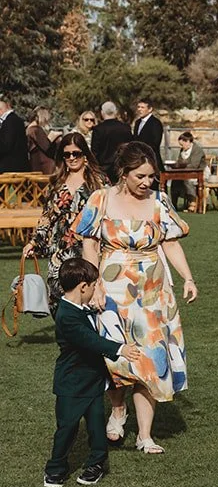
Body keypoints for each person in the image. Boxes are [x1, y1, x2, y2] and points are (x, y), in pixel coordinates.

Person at [75, 142, 197, 454]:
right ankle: (118, 410)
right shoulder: (100, 199)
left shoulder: (160, 201)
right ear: (123, 173)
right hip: (111, 287)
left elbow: (170, 243)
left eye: (152, 177)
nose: (147, 182)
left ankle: (145, 435)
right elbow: (89, 243)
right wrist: (95, 284)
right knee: (114, 356)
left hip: (153, 292)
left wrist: (188, 277)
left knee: (150, 358)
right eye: (140, 176)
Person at [45, 258, 144, 487]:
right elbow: (89, 340)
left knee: (96, 426)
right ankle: (55, 468)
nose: (95, 290)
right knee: (67, 426)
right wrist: (120, 349)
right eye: (94, 286)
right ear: (83, 287)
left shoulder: (77, 307)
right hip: (72, 383)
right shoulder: (66, 315)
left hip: (92, 380)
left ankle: (97, 463)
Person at [24, 129, 106, 308]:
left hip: (88, 249)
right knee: (58, 301)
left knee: (88, 301)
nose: (72, 158)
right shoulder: (56, 182)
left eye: (76, 153)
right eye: (67, 154)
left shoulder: (98, 182)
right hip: (59, 252)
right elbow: (47, 216)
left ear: (85, 154)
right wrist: (34, 243)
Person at [91, 101, 133, 180]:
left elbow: (94, 152)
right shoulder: (126, 128)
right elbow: (130, 148)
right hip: (122, 167)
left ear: (102, 113)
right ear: (116, 112)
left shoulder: (98, 129)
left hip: (104, 169)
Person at [167, 131, 206, 209]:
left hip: (199, 172)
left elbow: (195, 165)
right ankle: (173, 203)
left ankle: (193, 201)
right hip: (185, 171)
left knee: (187, 179)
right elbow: (179, 161)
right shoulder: (182, 151)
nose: (181, 147)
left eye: (182, 144)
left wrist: (182, 166)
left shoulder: (197, 150)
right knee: (175, 180)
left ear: (188, 141)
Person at [0, 96, 27, 172]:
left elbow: (6, 145)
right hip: (16, 165)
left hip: (10, 167)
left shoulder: (10, 121)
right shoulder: (16, 120)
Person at [27, 106, 55, 174]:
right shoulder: (36, 130)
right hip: (44, 165)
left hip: (35, 163)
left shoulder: (29, 129)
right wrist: (52, 138)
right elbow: (46, 147)